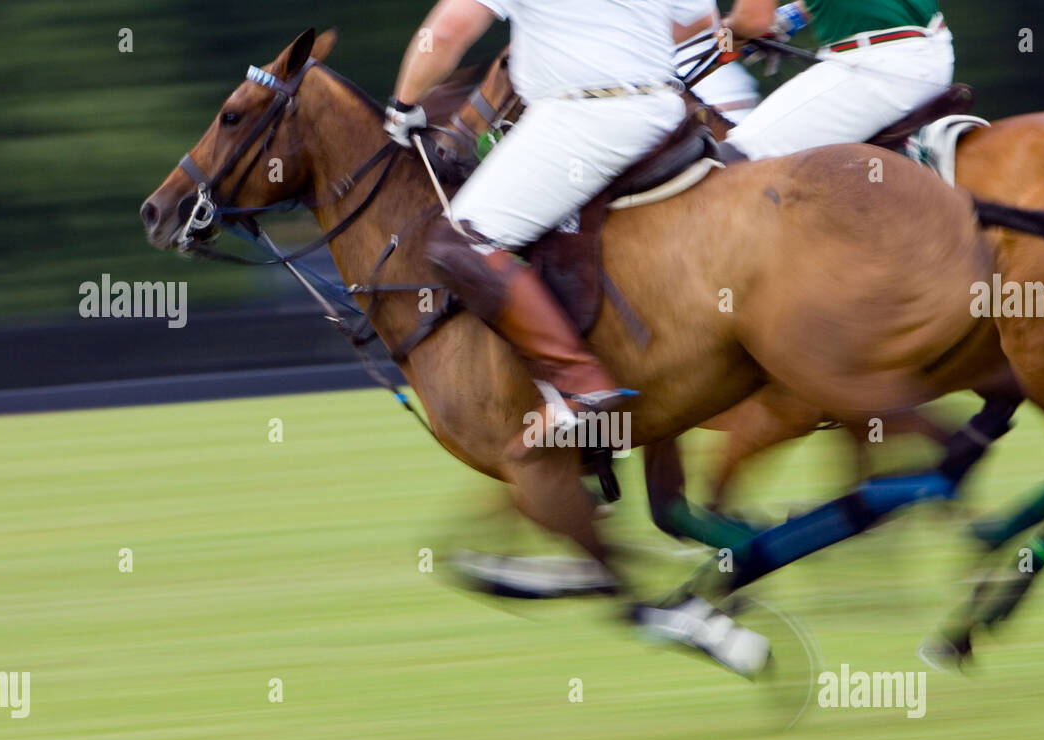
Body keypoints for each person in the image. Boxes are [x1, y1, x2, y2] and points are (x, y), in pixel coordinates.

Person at [386, 0, 717, 458]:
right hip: (663, 108)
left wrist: (403, 106)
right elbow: (701, 21)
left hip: (582, 119)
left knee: (458, 240)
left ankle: (579, 383)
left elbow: (446, 33)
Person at [719, 0, 954, 160]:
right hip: (933, 51)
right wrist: (792, 16)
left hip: (878, 64)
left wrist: (729, 33)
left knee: (739, 155)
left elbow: (752, 21)